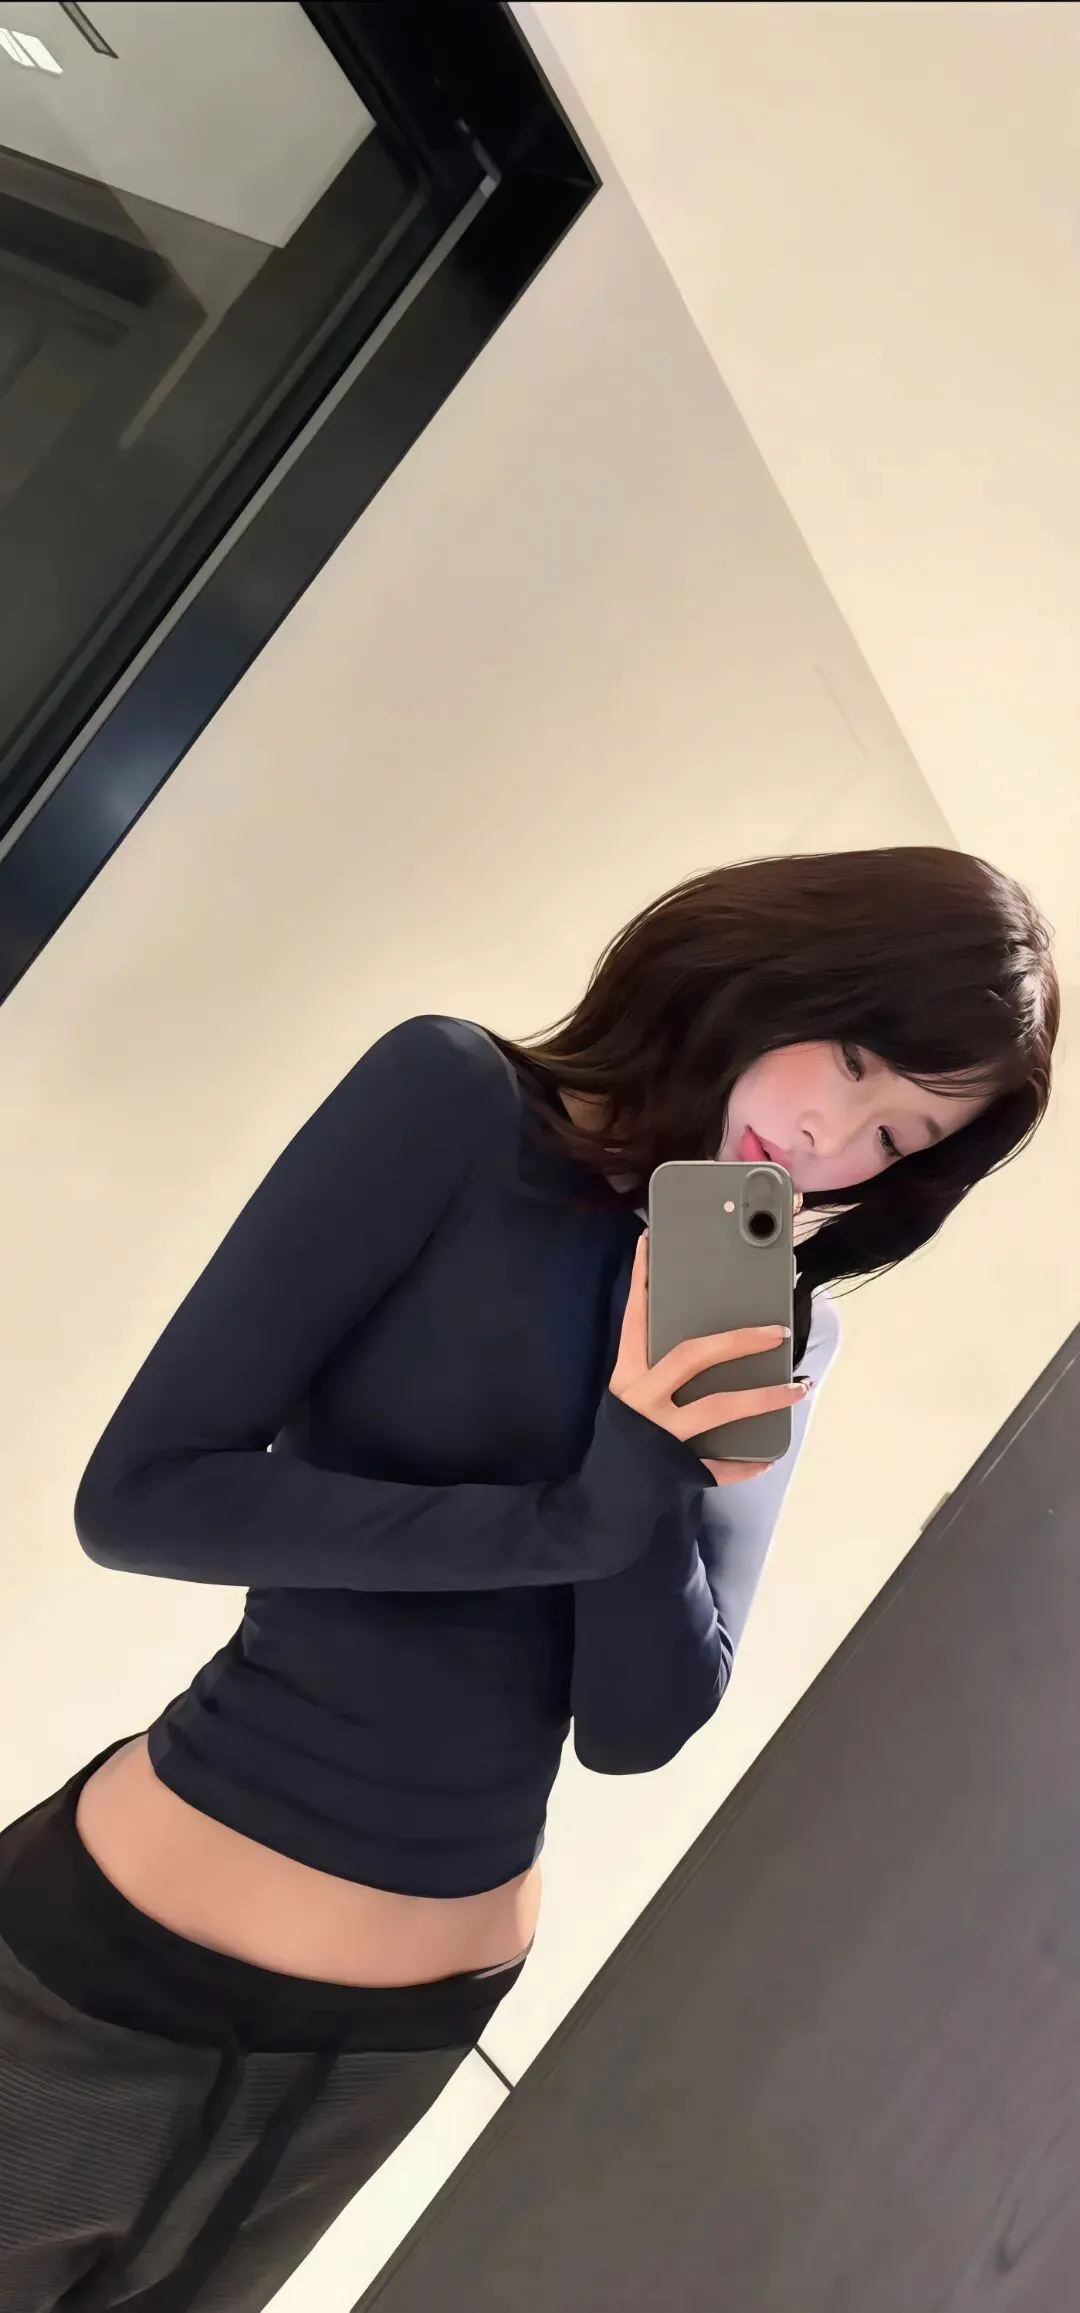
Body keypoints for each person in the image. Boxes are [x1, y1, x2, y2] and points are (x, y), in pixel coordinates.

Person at [0, 846, 1057, 2313]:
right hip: (108, 1975)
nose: (832, 1137)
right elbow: (143, 1497)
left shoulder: (769, 1329)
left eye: (898, 1134)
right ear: (782, 965)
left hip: (385, 2053)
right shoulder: (455, 1105)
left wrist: (654, 1462)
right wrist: (577, 1514)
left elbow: (637, 1728)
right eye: (857, 1059)